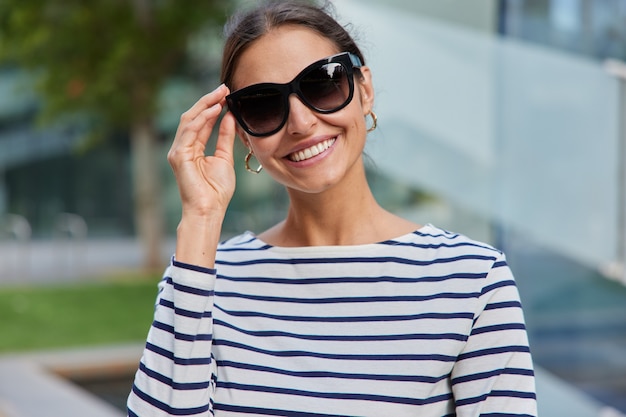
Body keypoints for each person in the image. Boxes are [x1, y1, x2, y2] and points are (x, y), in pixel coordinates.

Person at [126, 1, 537, 416]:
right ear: (245, 136)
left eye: (323, 84)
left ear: (364, 90)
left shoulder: (472, 280)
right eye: (264, 105)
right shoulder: (203, 280)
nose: (301, 123)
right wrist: (200, 219)